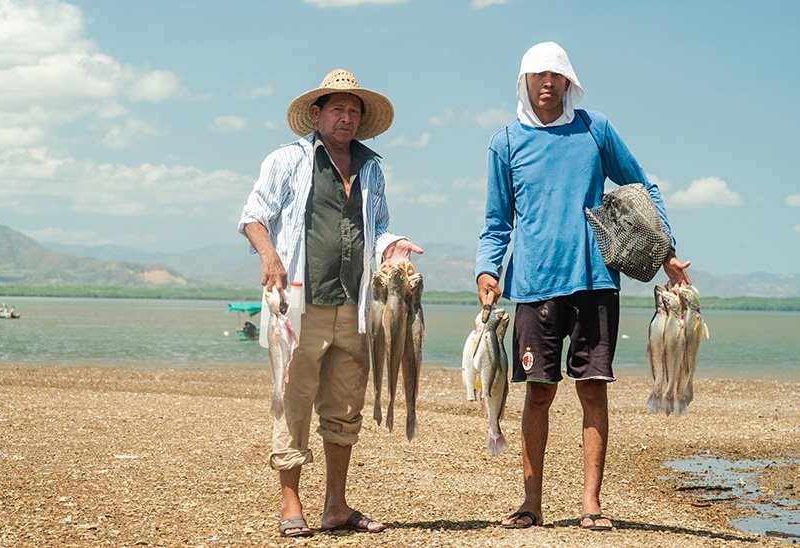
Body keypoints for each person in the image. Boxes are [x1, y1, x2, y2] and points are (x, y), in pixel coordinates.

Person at [474, 42, 690, 531]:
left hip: (595, 282)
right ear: (524, 81)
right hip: (533, 287)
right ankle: (531, 503)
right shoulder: (505, 142)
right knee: (538, 392)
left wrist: (666, 250)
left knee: (593, 390)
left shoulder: (596, 129)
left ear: (569, 81)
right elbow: (496, 220)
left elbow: (641, 187)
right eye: (538, 75)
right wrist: (488, 269)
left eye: (557, 75)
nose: (547, 83)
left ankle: (591, 504)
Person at [238, 69, 422, 537]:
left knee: (344, 407)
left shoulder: (372, 167)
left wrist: (394, 246)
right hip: (299, 304)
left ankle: (336, 506)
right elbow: (253, 216)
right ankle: (290, 504)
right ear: (316, 114)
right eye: (338, 109)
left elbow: (378, 227)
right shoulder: (287, 160)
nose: (347, 118)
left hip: (357, 305)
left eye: (354, 111)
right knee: (292, 401)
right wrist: (270, 255)